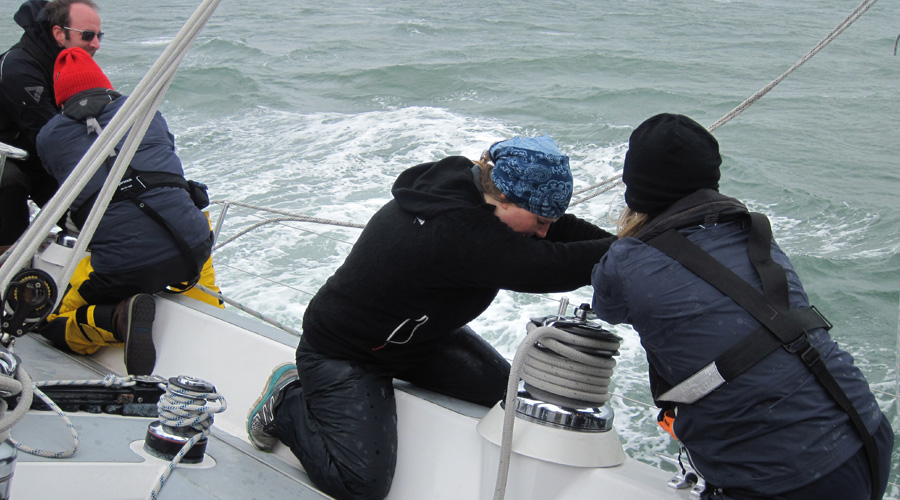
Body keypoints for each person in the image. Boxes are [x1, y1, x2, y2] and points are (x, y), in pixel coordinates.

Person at [247, 135, 616, 500]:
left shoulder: (473, 190)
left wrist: (636, 246)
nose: (544, 232)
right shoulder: (455, 229)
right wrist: (632, 253)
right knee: (359, 485)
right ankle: (286, 401)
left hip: (422, 339)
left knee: (510, 400)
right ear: (504, 197)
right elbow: (547, 267)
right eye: (539, 220)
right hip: (345, 351)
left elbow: (563, 231)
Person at [591, 113, 893, 500]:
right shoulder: (754, 232)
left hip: (782, 478)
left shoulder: (625, 262)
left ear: (636, 186)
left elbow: (608, 306)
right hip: (865, 434)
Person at [34, 47, 218, 376]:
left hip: (126, 269)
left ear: (60, 99)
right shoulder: (146, 109)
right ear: (106, 85)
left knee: (50, 319)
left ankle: (115, 320)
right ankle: (212, 314)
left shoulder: (50, 137)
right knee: (184, 223)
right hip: (194, 244)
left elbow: (60, 192)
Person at [0, 0, 103, 248]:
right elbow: (52, 134)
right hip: (11, 156)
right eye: (88, 36)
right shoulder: (19, 67)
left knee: (99, 218)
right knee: (9, 182)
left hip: (42, 157)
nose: (96, 44)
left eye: (100, 36)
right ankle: (9, 266)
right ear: (58, 33)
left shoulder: (72, 63)